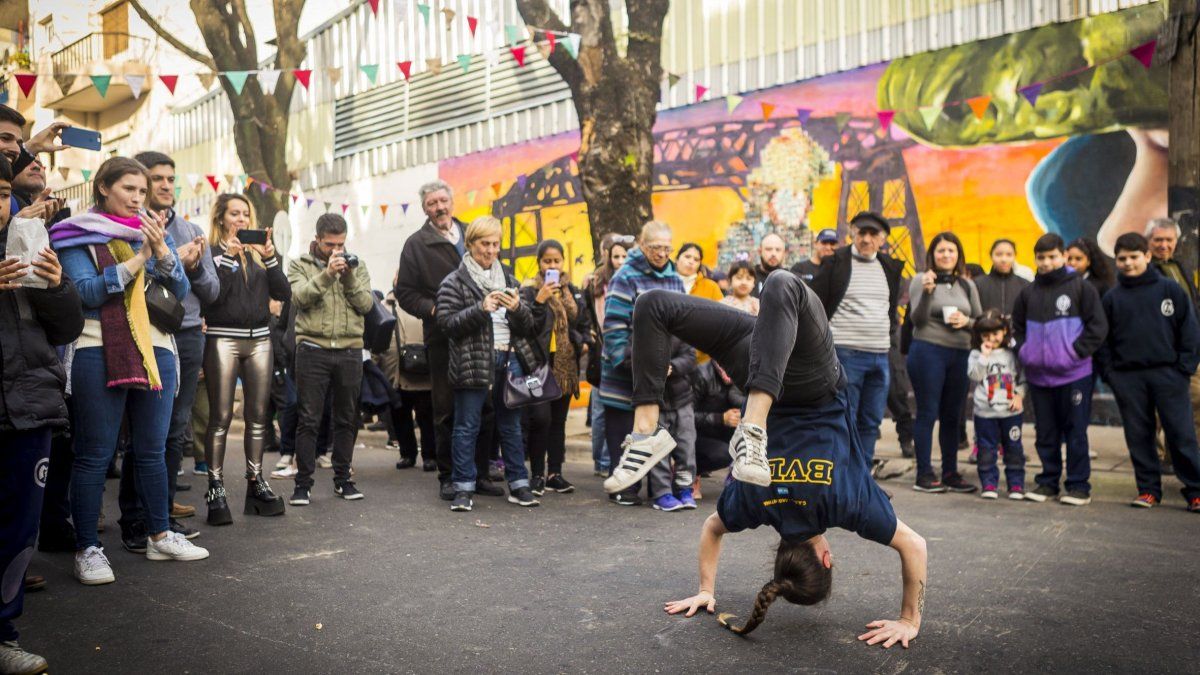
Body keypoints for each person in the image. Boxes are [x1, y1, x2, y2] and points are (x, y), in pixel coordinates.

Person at [597, 271, 926, 646]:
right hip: (758, 365)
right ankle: (655, 428)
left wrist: (909, 619)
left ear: (827, 559)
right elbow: (711, 529)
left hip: (806, 379)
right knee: (654, 305)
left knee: (781, 284)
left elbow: (914, 546)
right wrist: (706, 589)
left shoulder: (847, 505)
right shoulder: (755, 504)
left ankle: (668, 429)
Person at [52, 157, 210, 585]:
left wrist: (164, 255)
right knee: (94, 454)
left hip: (157, 347)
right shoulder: (74, 234)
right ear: (103, 187)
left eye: (142, 191)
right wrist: (142, 256)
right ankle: (88, 548)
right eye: (129, 189)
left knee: (153, 451)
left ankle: (160, 534)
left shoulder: (150, 234)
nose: (139, 198)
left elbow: (180, 294)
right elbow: (85, 292)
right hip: (96, 347)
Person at [0, 153, 84, 675]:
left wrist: (55, 286)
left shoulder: (30, 242)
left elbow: (67, 328)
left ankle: (3, 636)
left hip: (29, 408)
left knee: (16, 532)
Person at [117, 151, 218, 549]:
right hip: (138, 331)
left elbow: (212, 292)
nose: (163, 185)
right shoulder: (123, 226)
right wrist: (168, 257)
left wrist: (191, 266)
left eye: (168, 178)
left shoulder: (191, 229)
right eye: (154, 178)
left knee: (175, 432)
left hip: (187, 336)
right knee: (140, 433)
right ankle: (134, 520)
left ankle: (162, 518)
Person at [396, 181, 502, 500]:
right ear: (424, 209)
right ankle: (448, 475)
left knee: (484, 408)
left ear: (452, 202)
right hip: (442, 336)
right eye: (432, 203)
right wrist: (433, 309)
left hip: (481, 333)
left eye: (443, 200)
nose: (439, 207)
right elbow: (405, 293)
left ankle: (480, 473)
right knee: (445, 409)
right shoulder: (416, 244)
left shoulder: (472, 232)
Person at [436, 216, 542, 512]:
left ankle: (520, 484)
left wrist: (518, 308)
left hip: (510, 359)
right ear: (470, 244)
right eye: (485, 244)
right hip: (474, 360)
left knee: (511, 426)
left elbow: (529, 325)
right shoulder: (453, 282)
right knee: (466, 426)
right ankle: (463, 488)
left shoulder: (509, 279)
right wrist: (481, 309)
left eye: (496, 244)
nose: (491, 250)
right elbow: (446, 324)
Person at [201, 194, 291, 524]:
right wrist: (226, 258)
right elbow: (213, 298)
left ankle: (256, 482)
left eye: (245, 214)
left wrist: (269, 258)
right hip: (222, 337)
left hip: (260, 341)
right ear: (221, 218)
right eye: (234, 213)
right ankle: (215, 487)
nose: (241, 219)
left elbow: (283, 294)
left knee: (257, 415)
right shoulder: (210, 252)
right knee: (221, 416)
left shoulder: (257, 255)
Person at [1097, 233, 1200, 512]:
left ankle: (1195, 491)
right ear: (1116, 261)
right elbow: (1102, 341)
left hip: (1169, 375)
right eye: (1122, 258)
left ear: (1147, 256)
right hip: (1128, 379)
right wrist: (1111, 375)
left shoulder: (1170, 290)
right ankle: (1148, 490)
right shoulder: (1112, 298)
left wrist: (1183, 369)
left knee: (1181, 434)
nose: (1128, 263)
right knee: (1139, 435)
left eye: (1134, 257)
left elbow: (1189, 332)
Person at [1011, 233, 1108, 506]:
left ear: (1063, 256)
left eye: (1052, 256)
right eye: (1041, 258)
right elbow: (1016, 329)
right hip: (1039, 378)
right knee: (1046, 433)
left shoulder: (1081, 288)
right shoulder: (1028, 292)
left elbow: (1098, 327)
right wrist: (1024, 352)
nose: (1046, 263)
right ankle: (1047, 483)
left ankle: (1079, 486)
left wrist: (1073, 354)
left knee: (1076, 432)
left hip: (1075, 375)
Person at [286, 213, 374, 506]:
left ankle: (343, 480)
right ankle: (303, 483)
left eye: (340, 244)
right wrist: (326, 273)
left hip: (350, 349)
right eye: (329, 245)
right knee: (309, 419)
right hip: (313, 347)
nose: (336, 251)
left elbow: (366, 304)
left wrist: (347, 276)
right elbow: (299, 298)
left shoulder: (356, 266)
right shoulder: (300, 264)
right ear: (318, 240)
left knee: (347, 418)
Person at [599, 221, 685, 506]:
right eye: (655, 248)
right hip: (625, 371)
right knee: (623, 431)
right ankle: (623, 486)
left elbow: (683, 323)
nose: (662, 254)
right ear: (642, 246)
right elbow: (613, 327)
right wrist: (628, 361)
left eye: (666, 248)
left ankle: (651, 485)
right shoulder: (625, 277)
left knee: (650, 431)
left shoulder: (675, 278)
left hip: (659, 370)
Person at [810, 212, 903, 462]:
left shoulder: (889, 267)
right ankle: (842, 473)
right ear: (852, 233)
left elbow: (890, 308)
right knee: (844, 417)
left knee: (872, 421)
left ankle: (862, 477)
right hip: (845, 353)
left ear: (882, 239)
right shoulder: (835, 262)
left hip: (880, 355)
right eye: (862, 232)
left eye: (873, 234)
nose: (866, 239)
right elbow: (815, 303)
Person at [904, 232, 981, 493]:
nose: (946, 255)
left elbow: (981, 323)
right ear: (932, 256)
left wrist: (967, 322)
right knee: (927, 412)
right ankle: (924, 473)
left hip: (960, 353)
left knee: (952, 415)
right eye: (941, 251)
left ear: (958, 255)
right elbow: (917, 320)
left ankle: (950, 472)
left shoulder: (967, 285)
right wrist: (927, 293)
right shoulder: (920, 280)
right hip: (928, 351)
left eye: (951, 250)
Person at [521, 240, 587, 496]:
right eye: (547, 261)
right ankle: (536, 473)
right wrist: (539, 301)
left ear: (562, 262)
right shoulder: (529, 293)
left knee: (558, 421)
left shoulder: (573, 291)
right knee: (540, 419)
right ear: (539, 263)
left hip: (565, 366)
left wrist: (582, 341)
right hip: (537, 365)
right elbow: (527, 327)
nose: (552, 265)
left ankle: (554, 473)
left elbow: (581, 323)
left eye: (556, 261)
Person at [582, 234, 631, 476]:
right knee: (601, 410)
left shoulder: (631, 281)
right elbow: (591, 317)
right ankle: (600, 461)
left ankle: (608, 460)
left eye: (624, 256)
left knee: (613, 410)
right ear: (608, 258)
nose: (620, 260)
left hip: (623, 350)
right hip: (602, 350)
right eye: (616, 256)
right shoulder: (597, 283)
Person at [967, 310, 1027, 500]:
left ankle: (1016, 484)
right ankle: (989, 483)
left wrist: (1019, 395)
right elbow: (974, 376)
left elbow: (1024, 379)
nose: (991, 339)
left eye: (996, 334)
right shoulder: (976, 354)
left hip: (1011, 412)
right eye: (986, 335)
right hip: (985, 413)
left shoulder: (1012, 355)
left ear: (1004, 332)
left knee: (1014, 449)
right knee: (986, 449)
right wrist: (984, 356)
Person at [380, 282, 436, 471]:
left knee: (426, 416)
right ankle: (407, 453)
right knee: (400, 415)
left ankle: (430, 455)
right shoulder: (387, 305)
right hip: (397, 370)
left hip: (425, 369)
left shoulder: (428, 301)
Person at [973, 239, 1029, 317]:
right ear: (991, 255)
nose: (1003, 259)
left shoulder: (1025, 285)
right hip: (986, 328)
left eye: (1009, 254)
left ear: (1015, 256)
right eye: (999, 254)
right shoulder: (977, 283)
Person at [751, 232, 787, 298]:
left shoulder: (791, 279)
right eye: (768, 249)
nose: (773, 254)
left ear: (784, 253)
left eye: (778, 250)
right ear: (759, 251)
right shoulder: (750, 277)